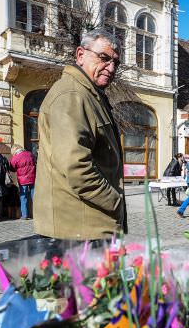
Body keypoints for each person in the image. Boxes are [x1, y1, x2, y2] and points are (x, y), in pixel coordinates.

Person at [34, 29, 126, 240]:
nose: (111, 68)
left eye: (115, 63)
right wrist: (115, 201)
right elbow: (76, 167)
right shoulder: (72, 94)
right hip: (78, 229)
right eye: (104, 58)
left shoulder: (88, 94)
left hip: (87, 224)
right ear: (80, 55)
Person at [10, 145, 36, 219]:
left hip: (22, 180)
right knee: (34, 196)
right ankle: (37, 214)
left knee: (23, 196)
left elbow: (12, 167)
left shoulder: (16, 157)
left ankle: (25, 215)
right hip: (32, 178)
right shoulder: (30, 154)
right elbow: (35, 162)